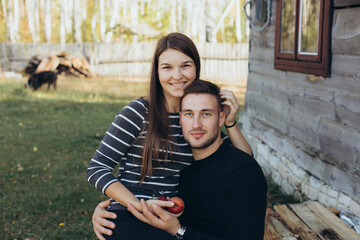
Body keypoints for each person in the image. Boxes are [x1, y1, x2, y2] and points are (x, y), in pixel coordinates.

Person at [87, 33, 252, 240]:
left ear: (196, 68)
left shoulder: (195, 117)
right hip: (130, 215)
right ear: (156, 72)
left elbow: (244, 163)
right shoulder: (138, 113)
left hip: (173, 216)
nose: (177, 75)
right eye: (167, 67)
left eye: (185, 66)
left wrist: (230, 122)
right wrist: (139, 207)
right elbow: (97, 168)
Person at [93, 80, 267, 240]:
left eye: (206, 114)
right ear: (179, 119)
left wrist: (178, 230)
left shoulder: (242, 172)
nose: (196, 124)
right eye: (189, 114)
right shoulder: (181, 169)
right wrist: (114, 212)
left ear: (221, 118)